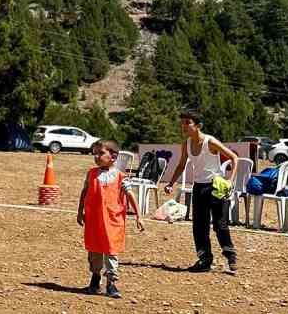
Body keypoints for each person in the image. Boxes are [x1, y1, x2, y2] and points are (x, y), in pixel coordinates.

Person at [159, 110, 239, 274]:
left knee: (220, 225)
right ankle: (204, 259)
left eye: (187, 122)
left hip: (215, 187)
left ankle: (230, 255)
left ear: (198, 125)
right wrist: (171, 183)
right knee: (199, 226)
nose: (184, 126)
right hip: (199, 187)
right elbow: (181, 164)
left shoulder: (210, 142)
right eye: (182, 122)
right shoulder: (186, 143)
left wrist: (230, 180)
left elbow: (233, 158)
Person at [77, 139, 141, 298]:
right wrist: (80, 211)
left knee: (111, 251)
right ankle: (95, 277)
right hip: (94, 221)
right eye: (95, 154)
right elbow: (84, 192)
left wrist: (139, 216)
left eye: (101, 153)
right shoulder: (91, 174)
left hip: (113, 222)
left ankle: (111, 283)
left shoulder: (120, 177)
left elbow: (130, 194)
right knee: (95, 251)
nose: (97, 157)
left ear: (113, 157)